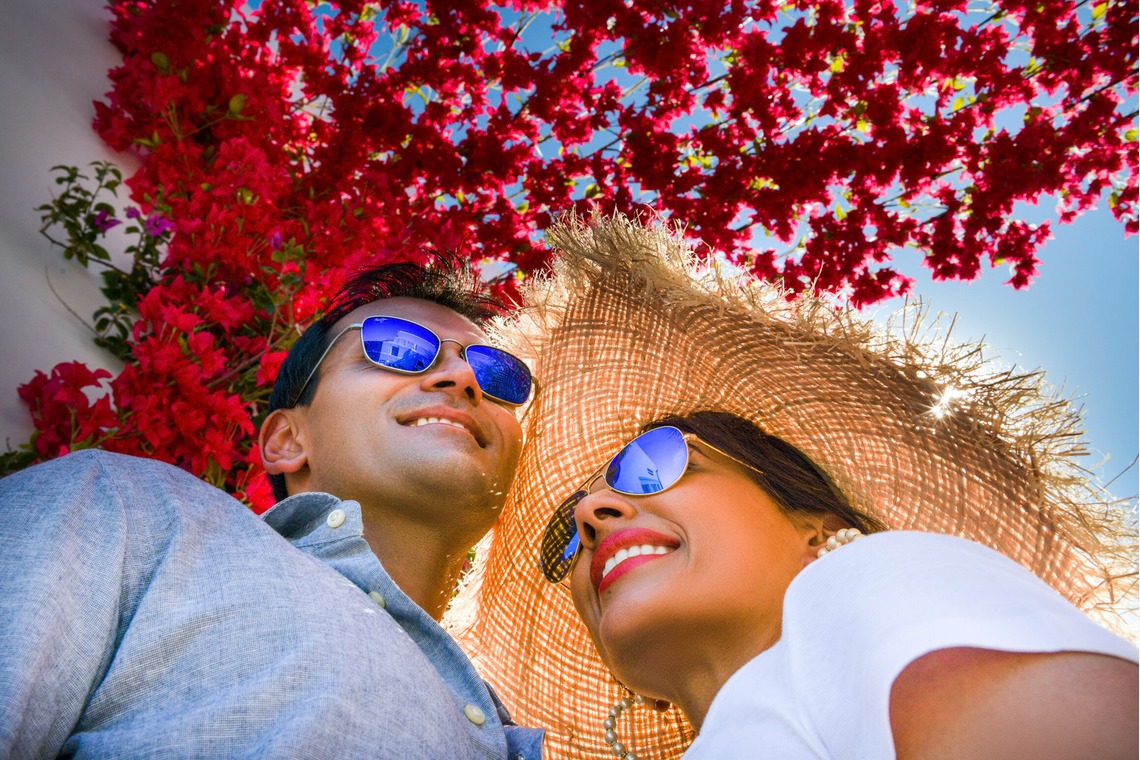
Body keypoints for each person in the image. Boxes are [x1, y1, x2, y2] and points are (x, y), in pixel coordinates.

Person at [447, 215, 1138, 760]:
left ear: (814, 527)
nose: (593, 514)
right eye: (567, 532)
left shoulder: (869, 577)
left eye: (650, 464)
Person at [0, 254, 544, 758]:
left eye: (500, 376)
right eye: (396, 347)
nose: (465, 378)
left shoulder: (507, 728)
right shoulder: (129, 511)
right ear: (287, 441)